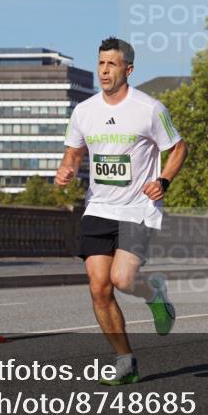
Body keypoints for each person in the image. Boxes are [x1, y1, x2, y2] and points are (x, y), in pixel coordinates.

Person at [55, 37, 188, 386]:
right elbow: (74, 152)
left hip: (137, 208)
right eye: (101, 63)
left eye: (111, 64)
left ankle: (154, 294)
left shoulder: (150, 109)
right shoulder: (84, 111)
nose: (103, 71)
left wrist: (164, 180)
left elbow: (178, 148)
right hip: (98, 206)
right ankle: (125, 361)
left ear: (128, 69)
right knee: (99, 289)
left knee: (123, 279)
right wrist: (66, 168)